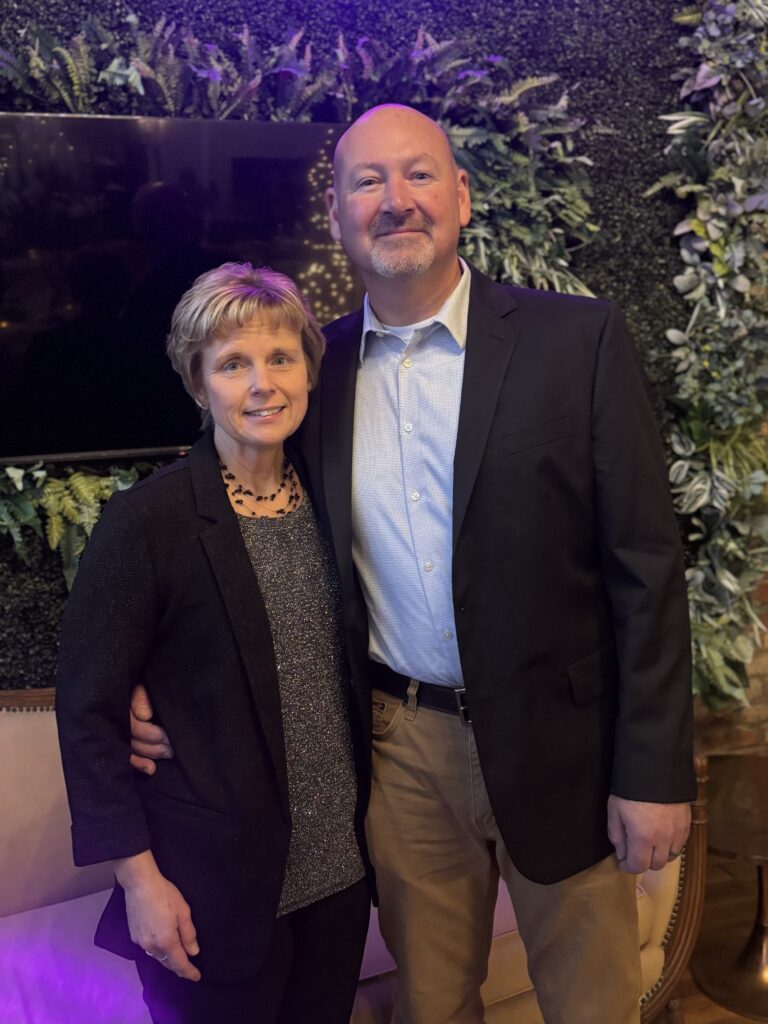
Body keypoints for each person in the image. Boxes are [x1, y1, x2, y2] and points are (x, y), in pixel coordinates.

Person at [130, 105, 696, 1024]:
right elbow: (235, 525)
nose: (396, 200)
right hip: (402, 752)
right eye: (368, 181)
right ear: (336, 214)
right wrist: (141, 682)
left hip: (566, 746)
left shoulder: (576, 340)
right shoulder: (310, 372)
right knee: (431, 1006)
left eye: (419, 174)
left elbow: (647, 564)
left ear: (461, 196)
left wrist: (656, 771)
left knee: (594, 1006)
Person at [55, 263, 370, 1024]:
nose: (262, 384)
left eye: (281, 358)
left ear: (308, 371)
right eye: (233, 364)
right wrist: (140, 883)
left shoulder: (334, 500)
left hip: (339, 879)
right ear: (199, 385)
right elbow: (89, 712)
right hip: (207, 894)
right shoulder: (147, 522)